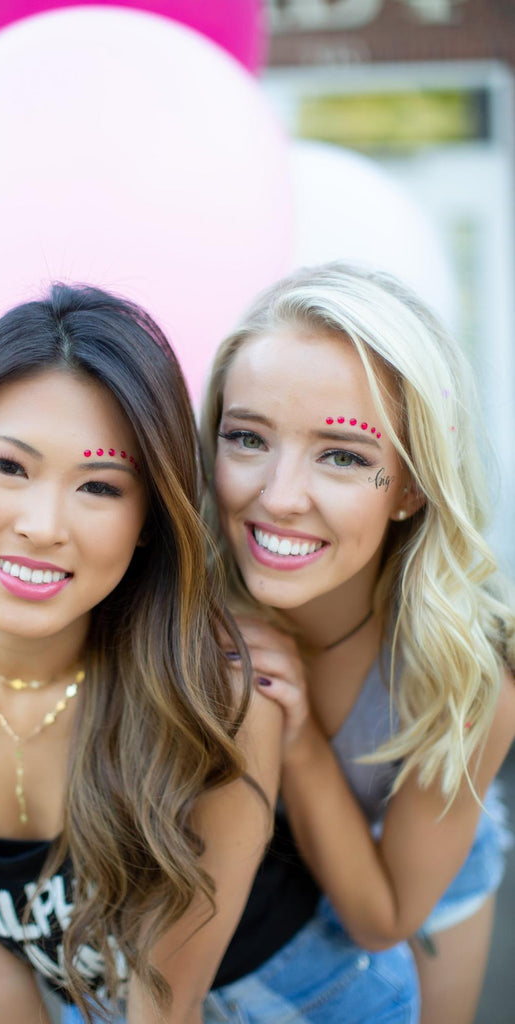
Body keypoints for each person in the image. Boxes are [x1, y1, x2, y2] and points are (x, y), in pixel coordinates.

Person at [0, 274, 426, 1024]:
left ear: (149, 519)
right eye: (10, 466)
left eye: (101, 487)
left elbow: (161, 1006)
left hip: (306, 1001)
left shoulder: (219, 698)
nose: (44, 524)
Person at [199, 262, 515, 1024]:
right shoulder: (176, 584)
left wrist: (298, 738)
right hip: (261, 894)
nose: (277, 496)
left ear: (410, 486)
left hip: (415, 863)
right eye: (247, 438)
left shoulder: (469, 673)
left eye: (341, 454)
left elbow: (384, 917)